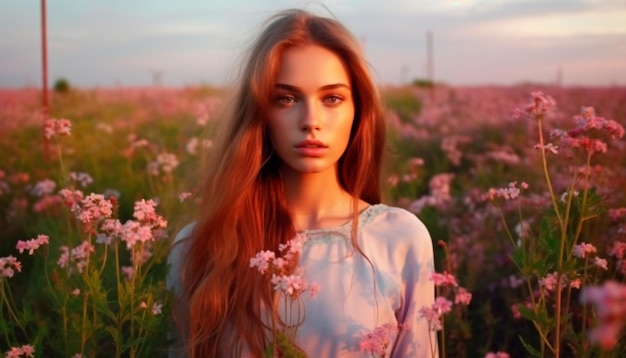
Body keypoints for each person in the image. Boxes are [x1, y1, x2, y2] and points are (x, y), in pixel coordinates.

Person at [167, 8, 437, 358]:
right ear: (259, 113)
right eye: (286, 98)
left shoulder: (399, 238)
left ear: (358, 110)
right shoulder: (199, 245)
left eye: (332, 98)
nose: (311, 121)